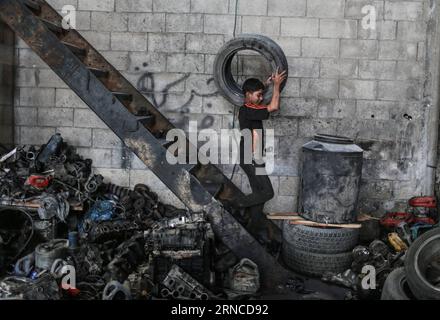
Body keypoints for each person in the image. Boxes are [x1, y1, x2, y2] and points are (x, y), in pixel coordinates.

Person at [232, 68, 287, 243]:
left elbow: (256, 94)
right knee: (268, 193)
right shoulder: (248, 109)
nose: (261, 98)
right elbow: (274, 106)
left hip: (254, 157)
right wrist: (277, 85)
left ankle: (251, 233)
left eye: (261, 94)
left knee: (259, 197)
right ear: (248, 95)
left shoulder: (250, 106)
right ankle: (235, 204)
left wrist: (266, 83)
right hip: (251, 158)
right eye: (258, 95)